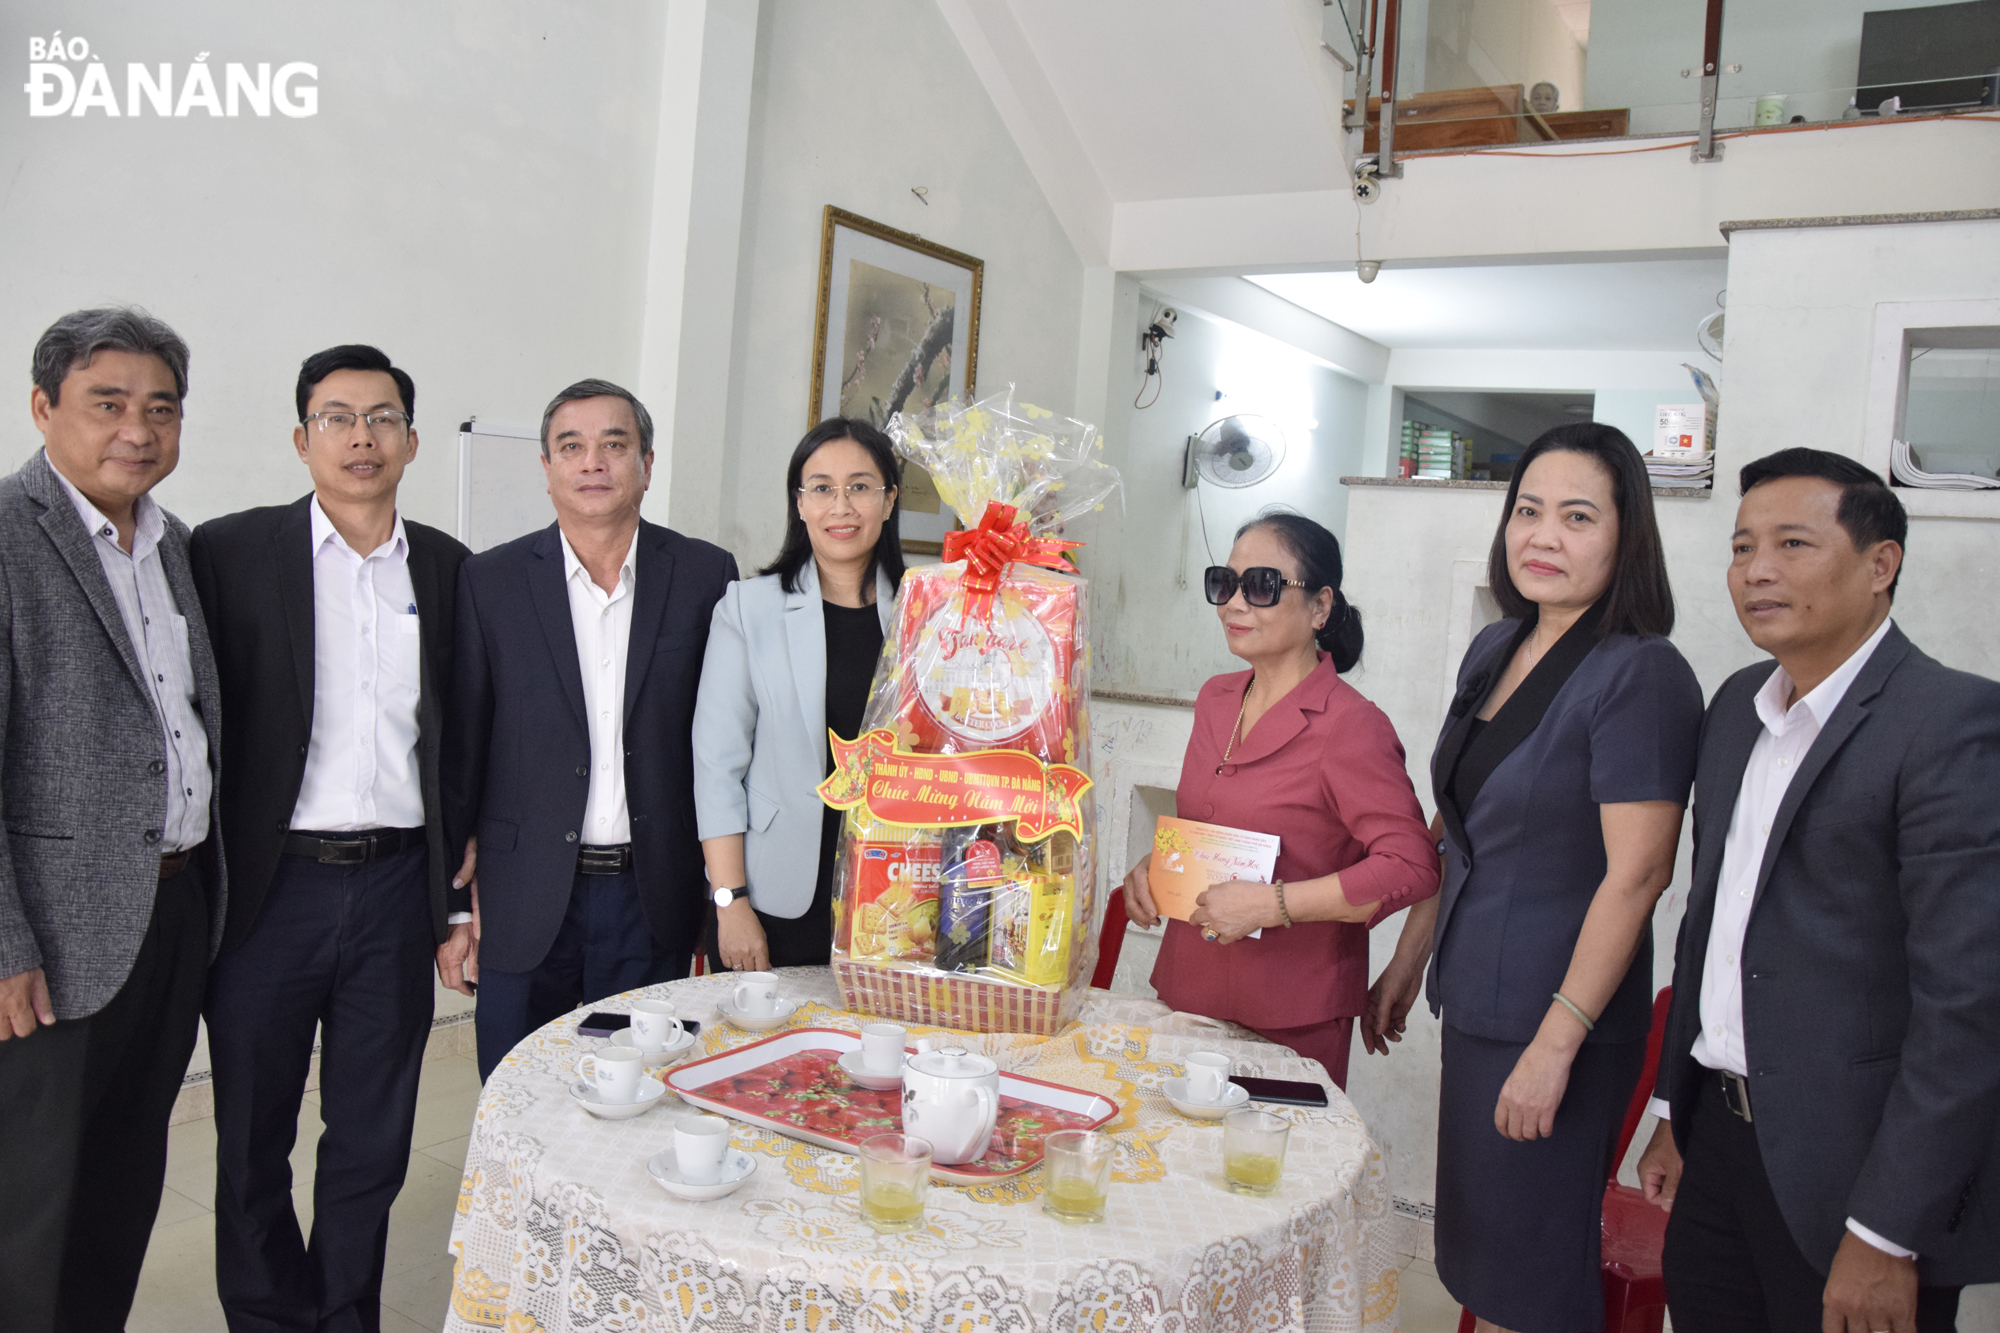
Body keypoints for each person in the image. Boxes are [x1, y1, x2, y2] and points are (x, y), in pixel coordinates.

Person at [1637, 449, 2000, 1332]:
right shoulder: (1735, 710)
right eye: (1741, 546)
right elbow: (1710, 927)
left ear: (1881, 565)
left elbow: (1970, 1004)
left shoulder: (1950, 723)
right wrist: (1671, 1110)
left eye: (1792, 542)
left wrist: (1886, 1230)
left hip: (1854, 1170)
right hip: (1717, 1138)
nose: (1756, 569)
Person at [1365, 423, 1703, 1333]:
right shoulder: (1498, 648)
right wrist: (1408, 958)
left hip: (1561, 1024)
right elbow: (1457, 821)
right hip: (1478, 1000)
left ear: (1626, 538)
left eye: (1577, 516)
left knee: (1533, 1276)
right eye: (1528, 511)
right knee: (1483, 1256)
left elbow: (1640, 876)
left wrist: (1554, 1047)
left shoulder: (1643, 675)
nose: (1542, 536)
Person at [189, 344, 475, 1331]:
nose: (362, 437)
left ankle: (346, 1310)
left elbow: (462, 738)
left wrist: (456, 894)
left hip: (395, 887)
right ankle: (266, 1316)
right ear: (301, 437)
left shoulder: (446, 568)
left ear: (411, 439)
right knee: (250, 1137)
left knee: (371, 1135)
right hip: (272, 889)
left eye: (382, 417)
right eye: (340, 417)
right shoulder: (227, 553)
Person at [0, 307, 226, 1332]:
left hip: (171, 914)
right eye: (108, 403)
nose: (138, 429)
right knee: (30, 1201)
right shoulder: (11, 536)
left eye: (161, 408)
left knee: (126, 1175)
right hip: (50, 934)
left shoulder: (169, 543)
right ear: (45, 408)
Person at [445, 378, 736, 1080]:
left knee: (639, 1086)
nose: (592, 462)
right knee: (517, 1088)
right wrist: (456, 909)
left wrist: (724, 892)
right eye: (570, 446)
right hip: (525, 894)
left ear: (647, 462)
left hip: (652, 892)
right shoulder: (491, 581)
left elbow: (724, 739)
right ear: (546, 467)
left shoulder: (704, 575)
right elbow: (463, 748)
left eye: (614, 444)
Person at [1119, 512, 1438, 1088]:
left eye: (1262, 586)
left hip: (1292, 1011)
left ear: (1320, 606)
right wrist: (1157, 868)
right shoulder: (1217, 699)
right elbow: (1212, 827)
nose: (1235, 604)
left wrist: (1274, 906)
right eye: (1225, 583)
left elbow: (1411, 866)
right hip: (1189, 987)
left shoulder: (1352, 726)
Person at [693, 418, 903, 971]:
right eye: (822, 489)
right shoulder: (747, 609)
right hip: (773, 896)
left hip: (898, 899)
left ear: (888, 501)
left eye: (860, 487)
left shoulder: (927, 613)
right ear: (800, 504)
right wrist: (730, 902)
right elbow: (717, 766)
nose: (842, 506)